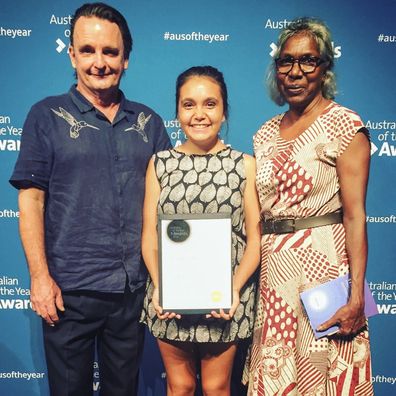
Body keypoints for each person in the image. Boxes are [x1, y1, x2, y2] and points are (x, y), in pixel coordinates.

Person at [9, 3, 171, 395]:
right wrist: (39, 278)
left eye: (110, 52)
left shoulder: (148, 123)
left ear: (126, 59)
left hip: (132, 292)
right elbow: (31, 202)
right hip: (68, 293)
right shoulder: (45, 115)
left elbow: (170, 206)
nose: (99, 62)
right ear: (72, 54)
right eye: (88, 50)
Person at [245, 17, 373, 395]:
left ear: (324, 68)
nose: (295, 72)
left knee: (323, 376)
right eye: (286, 61)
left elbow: (355, 216)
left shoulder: (345, 126)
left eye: (308, 61)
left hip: (325, 275)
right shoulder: (264, 133)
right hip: (273, 276)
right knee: (277, 373)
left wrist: (356, 297)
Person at [140, 65, 261, 395]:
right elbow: (149, 236)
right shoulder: (160, 164)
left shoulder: (244, 164)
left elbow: (255, 239)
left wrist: (233, 289)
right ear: (177, 111)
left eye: (210, 104)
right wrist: (161, 285)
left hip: (224, 300)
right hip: (171, 297)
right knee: (178, 386)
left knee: (217, 386)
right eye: (188, 104)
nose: (199, 114)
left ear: (224, 111)